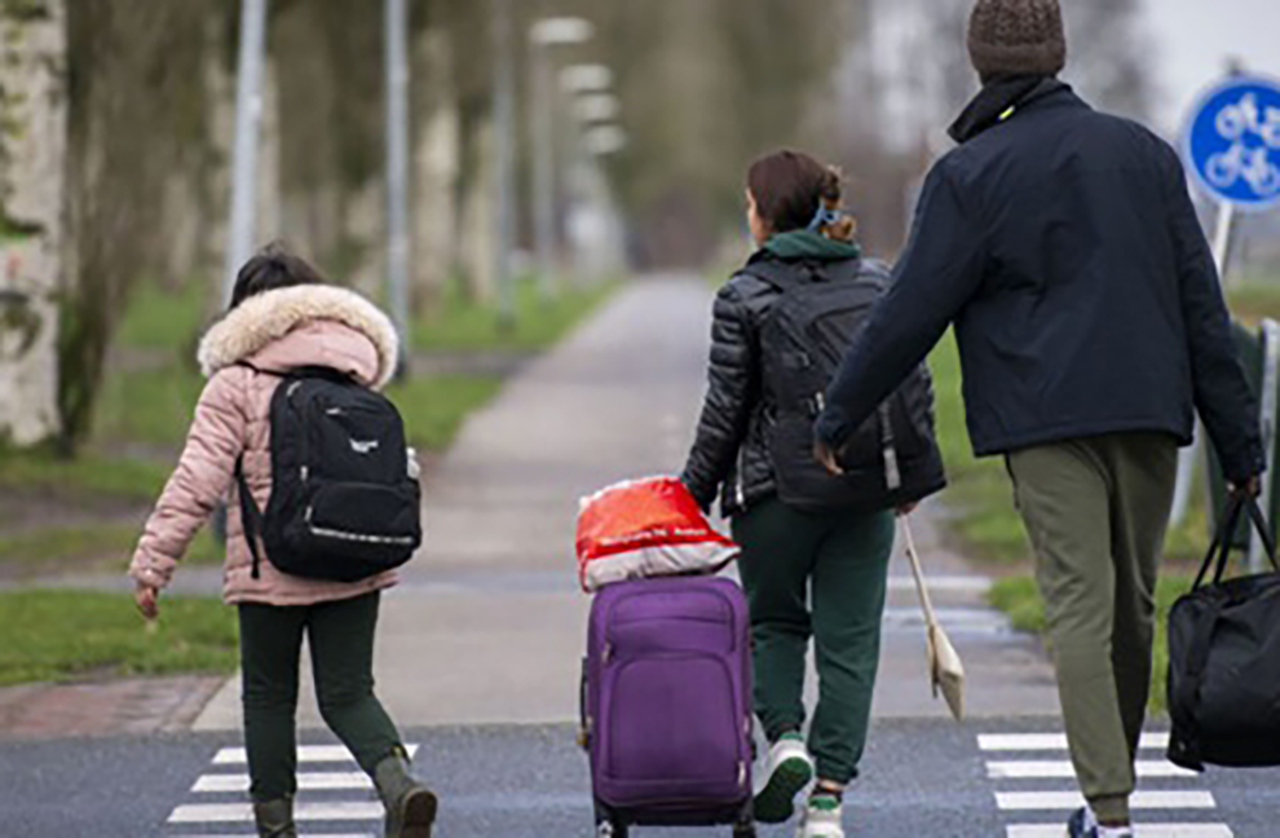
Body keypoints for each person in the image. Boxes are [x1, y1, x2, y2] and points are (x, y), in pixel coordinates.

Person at [814, 2, 1264, 836]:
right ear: (1056, 58)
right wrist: (1240, 441)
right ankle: (1110, 792)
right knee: (1129, 603)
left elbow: (909, 310)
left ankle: (1110, 808)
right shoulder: (1143, 156)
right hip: (1147, 411)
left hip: (1044, 417)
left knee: (1080, 604)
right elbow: (1203, 306)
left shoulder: (971, 174)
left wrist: (839, 413)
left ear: (981, 64)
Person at [129, 243, 436, 838]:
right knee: (349, 693)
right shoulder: (356, 374)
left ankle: (276, 828)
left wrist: (153, 564)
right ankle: (400, 786)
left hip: (270, 568)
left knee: (268, 697)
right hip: (355, 557)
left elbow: (197, 480)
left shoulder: (235, 385)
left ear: (244, 314)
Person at [682, 150, 945, 838]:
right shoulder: (876, 281)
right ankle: (827, 801)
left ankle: (785, 740)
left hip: (774, 497)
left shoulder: (743, 295)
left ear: (766, 215)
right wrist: (909, 475)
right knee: (850, 644)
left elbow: (725, 412)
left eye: (749, 204)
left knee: (773, 624)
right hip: (862, 492)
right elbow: (913, 383)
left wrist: (688, 497)